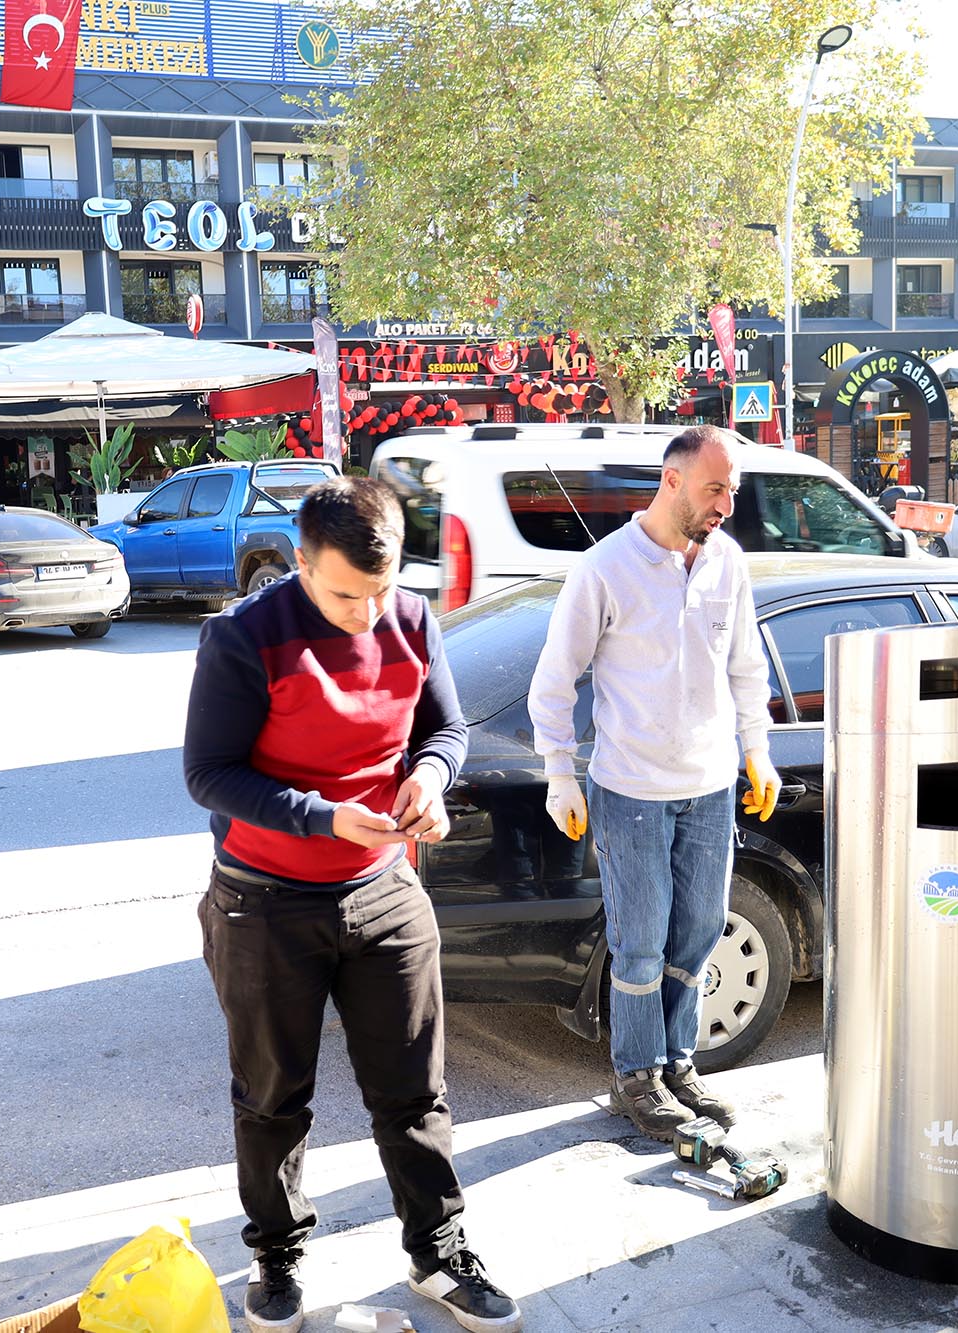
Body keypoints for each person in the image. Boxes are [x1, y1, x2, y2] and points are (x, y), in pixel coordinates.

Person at [184, 476, 520, 1333]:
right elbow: (209, 774)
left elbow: (444, 730)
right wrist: (323, 815)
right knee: (272, 1098)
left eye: (383, 587)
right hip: (263, 903)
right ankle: (276, 1255)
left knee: (414, 1091)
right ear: (299, 562)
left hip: (384, 892)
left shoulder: (411, 619)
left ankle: (438, 1253)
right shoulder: (244, 638)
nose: (368, 613)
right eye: (345, 593)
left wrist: (431, 780)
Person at [528, 424, 781, 1142]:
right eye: (714, 488)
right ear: (670, 482)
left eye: (731, 489)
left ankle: (678, 1061)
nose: (726, 503)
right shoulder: (606, 568)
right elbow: (553, 682)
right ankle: (636, 1075)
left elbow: (746, 669)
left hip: (708, 786)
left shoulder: (728, 562)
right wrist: (558, 774)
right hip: (630, 790)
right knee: (639, 942)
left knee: (699, 932)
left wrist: (755, 752)